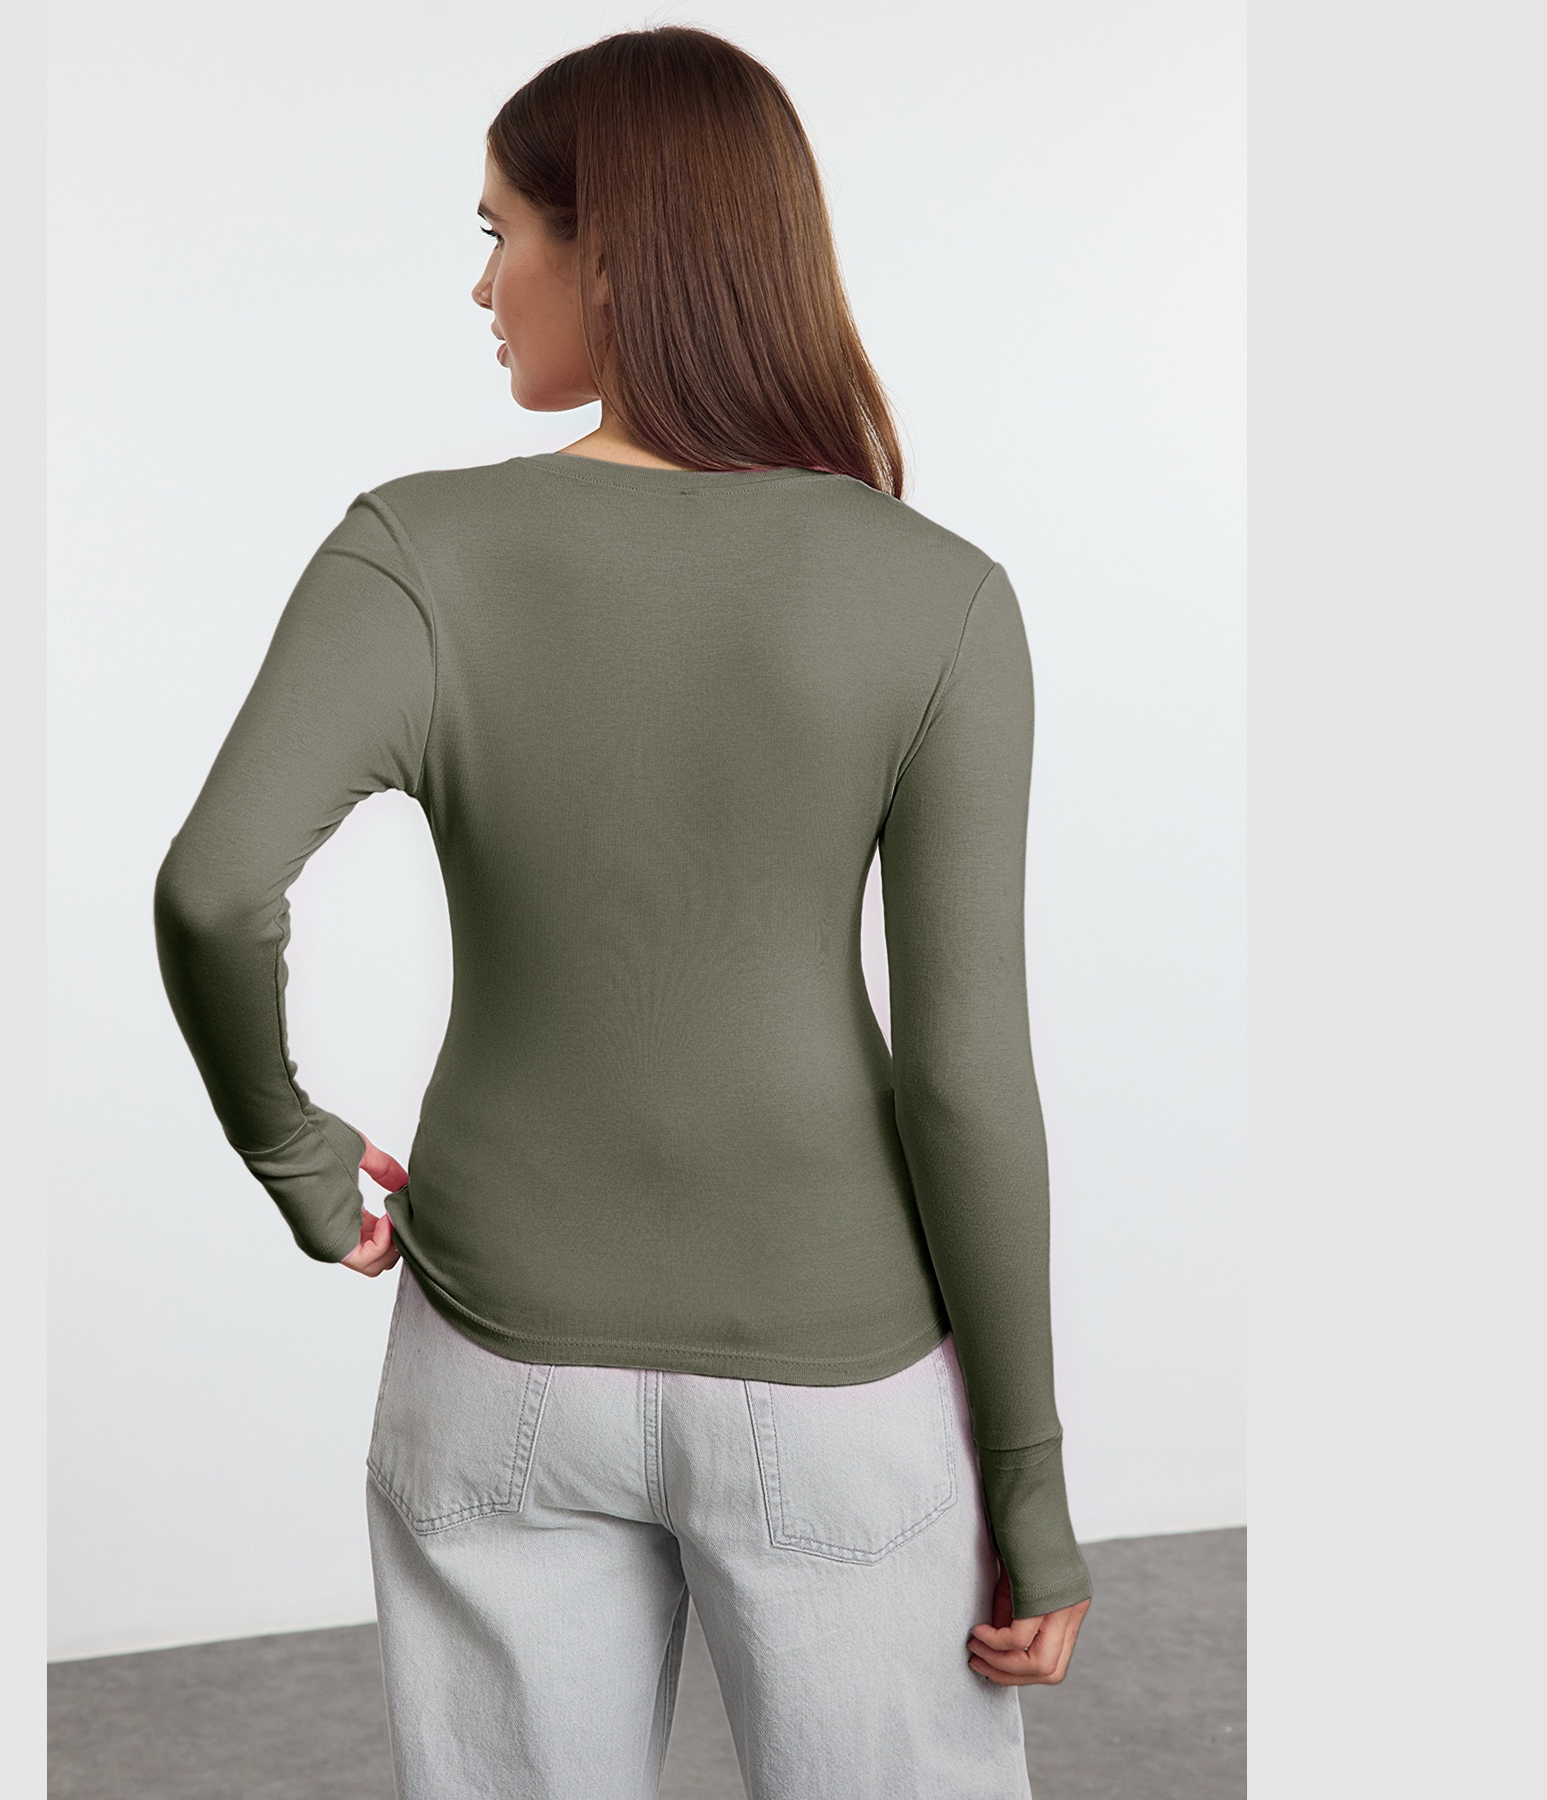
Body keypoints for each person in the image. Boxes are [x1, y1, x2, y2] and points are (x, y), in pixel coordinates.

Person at [154, 24, 1091, 1799]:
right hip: (836, 1374)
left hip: (494, 1353)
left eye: (501, 230)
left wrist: (293, 1152)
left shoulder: (413, 549)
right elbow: (968, 1080)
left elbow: (213, 888)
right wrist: (1030, 1492)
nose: (482, 283)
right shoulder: (941, 596)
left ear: (614, 249)